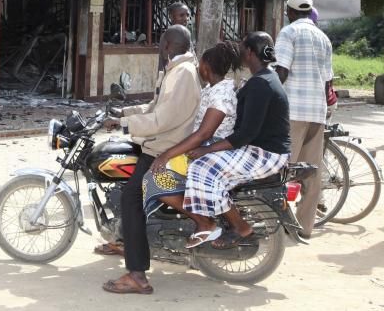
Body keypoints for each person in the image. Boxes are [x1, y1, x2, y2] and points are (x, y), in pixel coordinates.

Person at [99, 25, 201, 295]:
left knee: (131, 199)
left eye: (160, 43)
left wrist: (124, 125)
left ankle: (137, 274)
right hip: (159, 142)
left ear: (167, 45)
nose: (158, 47)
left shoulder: (182, 74)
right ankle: (127, 242)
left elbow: (161, 119)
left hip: (163, 149)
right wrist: (125, 112)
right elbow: (156, 107)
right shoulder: (176, 69)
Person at [180, 32, 291, 248]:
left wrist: (207, 150)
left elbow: (244, 135)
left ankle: (239, 226)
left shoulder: (261, 84)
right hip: (258, 148)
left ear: (249, 52)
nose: (240, 53)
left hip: (265, 154)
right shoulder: (265, 78)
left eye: (242, 48)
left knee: (202, 168)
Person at [141, 41, 240, 219]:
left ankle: (204, 222)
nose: (197, 66)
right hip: (203, 143)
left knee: (154, 178)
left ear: (206, 67)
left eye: (200, 63)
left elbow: (204, 133)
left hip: (210, 146)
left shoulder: (222, 94)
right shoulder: (212, 88)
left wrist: (166, 155)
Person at [274, 0, 334, 238]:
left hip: (294, 110)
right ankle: (305, 227)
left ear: (289, 12)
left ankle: (275, 226)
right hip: (316, 112)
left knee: (281, 169)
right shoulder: (324, 38)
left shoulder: (289, 33)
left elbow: (281, 72)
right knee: (312, 170)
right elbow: (327, 83)